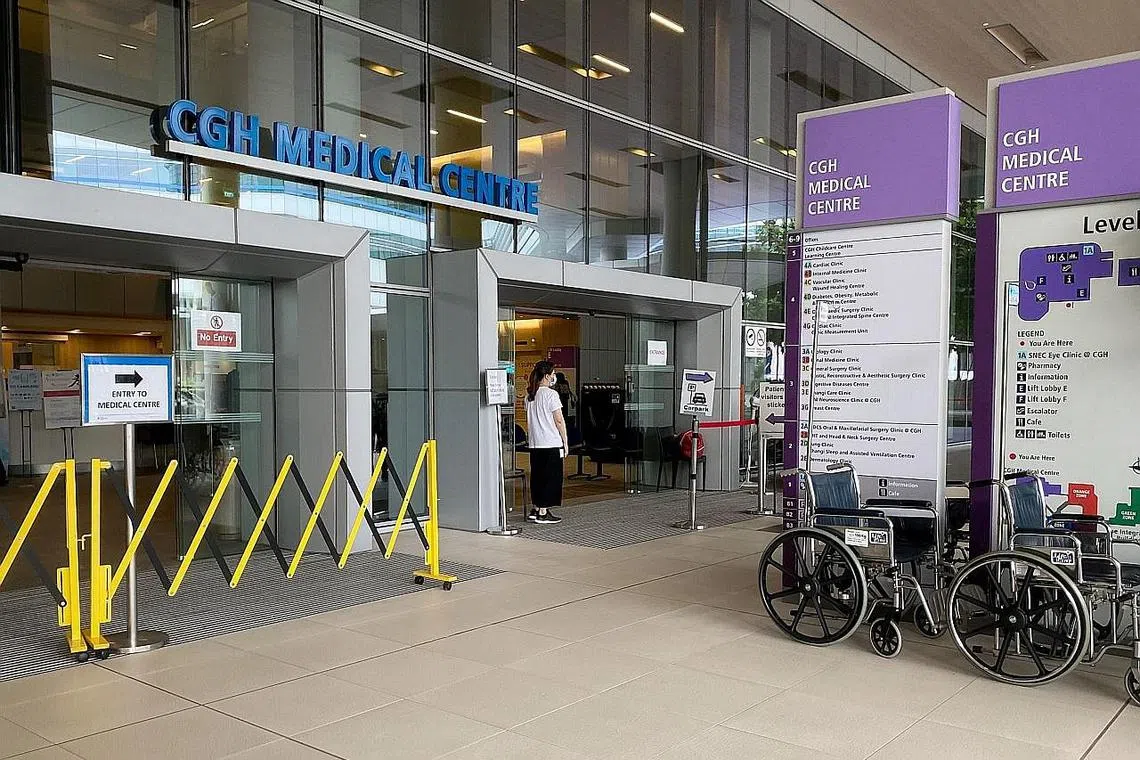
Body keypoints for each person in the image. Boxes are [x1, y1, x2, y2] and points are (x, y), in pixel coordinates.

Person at [524, 360, 567, 524]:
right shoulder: (551, 395)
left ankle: (536, 508)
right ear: (547, 376)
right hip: (551, 443)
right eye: (553, 373)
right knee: (551, 478)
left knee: (537, 477)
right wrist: (565, 441)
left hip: (535, 443)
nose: (554, 376)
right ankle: (543, 511)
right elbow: (559, 420)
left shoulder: (530, 396)